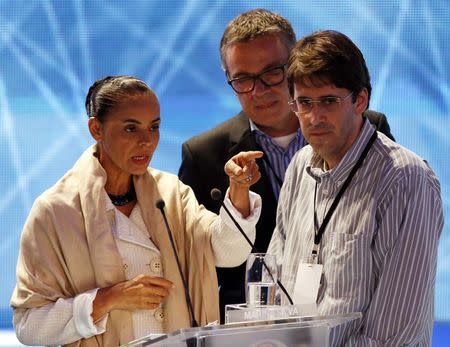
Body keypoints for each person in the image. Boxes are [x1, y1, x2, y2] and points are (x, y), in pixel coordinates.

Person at [10, 76, 263, 346]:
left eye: (154, 127)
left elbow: (229, 252)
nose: (147, 141)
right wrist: (108, 299)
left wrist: (238, 189)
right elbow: (29, 324)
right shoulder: (55, 211)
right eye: (131, 129)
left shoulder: (171, 193)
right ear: (96, 129)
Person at [178, 8, 395, 321]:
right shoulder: (203, 154)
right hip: (250, 331)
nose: (259, 90)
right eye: (243, 79)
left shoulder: (362, 128)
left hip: (352, 322)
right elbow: (197, 264)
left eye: (272, 73)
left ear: (295, 65)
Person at [267, 30, 443, 346]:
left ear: (360, 100)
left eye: (329, 101)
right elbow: (276, 278)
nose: (313, 116)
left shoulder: (406, 180)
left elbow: (395, 332)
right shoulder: (299, 167)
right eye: (303, 102)